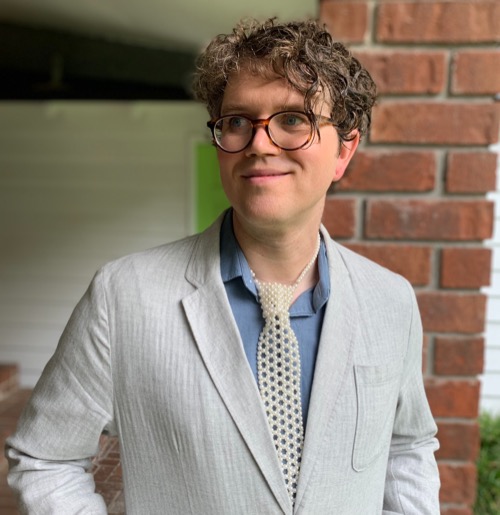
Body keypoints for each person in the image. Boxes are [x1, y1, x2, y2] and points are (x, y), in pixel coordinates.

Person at [6, 18, 440, 514]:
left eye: (293, 120)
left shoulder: (391, 301)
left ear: (344, 150)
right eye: (237, 121)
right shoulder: (123, 295)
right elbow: (45, 458)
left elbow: (407, 447)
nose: (259, 143)